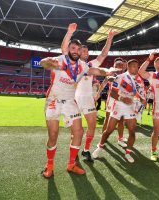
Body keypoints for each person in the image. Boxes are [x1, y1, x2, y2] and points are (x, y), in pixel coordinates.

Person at [40, 36, 117, 178]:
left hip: (70, 101)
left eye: (78, 49)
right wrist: (47, 61)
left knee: (79, 132)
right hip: (54, 100)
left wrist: (106, 72)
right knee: (53, 134)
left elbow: (97, 71)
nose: (75, 51)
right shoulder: (61, 60)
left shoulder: (83, 66)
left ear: (81, 52)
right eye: (73, 48)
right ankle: (49, 165)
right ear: (68, 49)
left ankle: (71, 165)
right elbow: (43, 63)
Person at [61, 23, 116, 162]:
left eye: (86, 51)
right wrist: (69, 33)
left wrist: (109, 38)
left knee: (92, 125)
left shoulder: (91, 65)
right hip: (74, 99)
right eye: (82, 51)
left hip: (88, 99)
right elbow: (64, 50)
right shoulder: (72, 63)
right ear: (78, 53)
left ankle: (86, 150)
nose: (85, 53)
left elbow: (103, 54)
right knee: (75, 131)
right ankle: (74, 149)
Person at [92, 59, 146, 163]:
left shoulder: (139, 80)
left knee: (132, 131)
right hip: (119, 105)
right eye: (134, 66)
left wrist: (143, 101)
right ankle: (100, 147)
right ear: (129, 67)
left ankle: (128, 153)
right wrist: (122, 98)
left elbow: (141, 95)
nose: (137, 68)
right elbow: (112, 93)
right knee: (109, 130)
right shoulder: (120, 77)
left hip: (130, 107)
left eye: (137, 66)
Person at [98, 58, 127, 148]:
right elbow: (103, 84)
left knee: (121, 121)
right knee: (107, 119)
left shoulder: (125, 76)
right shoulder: (110, 74)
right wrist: (97, 94)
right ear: (114, 67)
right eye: (117, 66)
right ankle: (103, 138)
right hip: (111, 99)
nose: (119, 68)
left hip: (121, 100)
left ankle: (120, 139)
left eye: (121, 66)